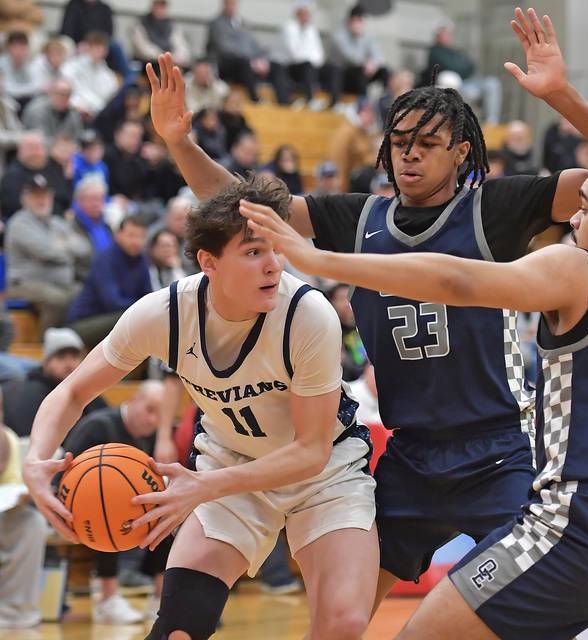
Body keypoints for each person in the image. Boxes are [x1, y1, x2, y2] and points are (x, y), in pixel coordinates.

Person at [147, 7, 588, 612]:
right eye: (399, 142)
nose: (409, 156)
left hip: (504, 451)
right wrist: (179, 142)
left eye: (427, 144)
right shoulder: (361, 218)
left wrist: (562, 95)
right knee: (340, 618)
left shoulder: (498, 207)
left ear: (461, 152)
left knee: (537, 613)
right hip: (409, 456)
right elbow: (240, 209)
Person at [243, 145, 588, 640]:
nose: (573, 219)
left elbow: (459, 281)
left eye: (586, 207)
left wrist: (317, 261)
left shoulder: (581, 269)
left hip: (586, 520)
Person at [23, 177, 378, 640]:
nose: (273, 265)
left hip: (325, 473)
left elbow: (310, 451)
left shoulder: (307, 316)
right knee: (179, 629)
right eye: (253, 252)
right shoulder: (163, 314)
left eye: (277, 247)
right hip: (233, 463)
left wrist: (205, 486)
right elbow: (72, 392)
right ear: (209, 262)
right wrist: (35, 459)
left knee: (344, 626)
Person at [60, 381, 167, 624]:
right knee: (107, 513)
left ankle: (161, 598)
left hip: (125, 507)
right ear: (134, 400)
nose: (153, 421)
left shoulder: (153, 438)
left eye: (160, 415)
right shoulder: (99, 426)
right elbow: (63, 477)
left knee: (166, 510)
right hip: (76, 505)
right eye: (150, 410)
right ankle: (108, 599)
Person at [4, 174, 90, 332]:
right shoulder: (19, 223)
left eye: (45, 195)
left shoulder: (56, 222)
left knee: (86, 292)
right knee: (57, 299)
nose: (41, 200)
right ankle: (47, 345)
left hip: (61, 283)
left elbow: (84, 248)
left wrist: (60, 247)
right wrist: (65, 248)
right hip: (24, 283)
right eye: (36, 196)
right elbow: (46, 251)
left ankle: (73, 343)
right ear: (25, 198)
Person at [67, 214, 152, 349]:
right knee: (131, 319)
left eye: (140, 237)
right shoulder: (105, 259)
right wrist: (141, 307)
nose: (136, 241)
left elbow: (148, 296)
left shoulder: (142, 260)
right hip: (83, 324)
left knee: (148, 318)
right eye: (131, 235)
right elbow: (113, 302)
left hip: (115, 318)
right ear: (118, 236)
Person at [3, 328, 107, 438]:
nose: (69, 364)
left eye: (74, 356)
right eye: (61, 357)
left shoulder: (88, 391)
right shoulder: (30, 394)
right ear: (46, 363)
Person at [0, 394, 48, 630]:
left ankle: (14, 611)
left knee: (32, 522)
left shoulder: (6, 437)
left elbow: (12, 486)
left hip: (3, 514)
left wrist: (24, 496)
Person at [328, 5, 390, 107]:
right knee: (360, 72)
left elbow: (379, 56)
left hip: (363, 71)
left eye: (360, 21)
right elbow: (352, 58)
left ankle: (386, 102)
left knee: (384, 71)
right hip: (344, 76)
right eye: (355, 21)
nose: (358, 24)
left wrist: (373, 63)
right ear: (349, 21)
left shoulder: (368, 36)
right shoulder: (339, 37)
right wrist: (368, 63)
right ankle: (363, 105)